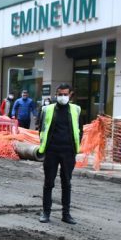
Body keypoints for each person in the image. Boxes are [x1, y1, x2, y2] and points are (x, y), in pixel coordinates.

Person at [37, 84, 82, 225]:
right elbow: (41, 128)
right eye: (60, 94)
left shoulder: (76, 110)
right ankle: (46, 213)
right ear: (56, 94)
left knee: (66, 183)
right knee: (48, 183)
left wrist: (76, 146)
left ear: (70, 95)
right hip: (52, 151)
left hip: (68, 152)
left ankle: (66, 214)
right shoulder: (47, 109)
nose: (62, 97)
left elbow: (79, 129)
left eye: (65, 94)